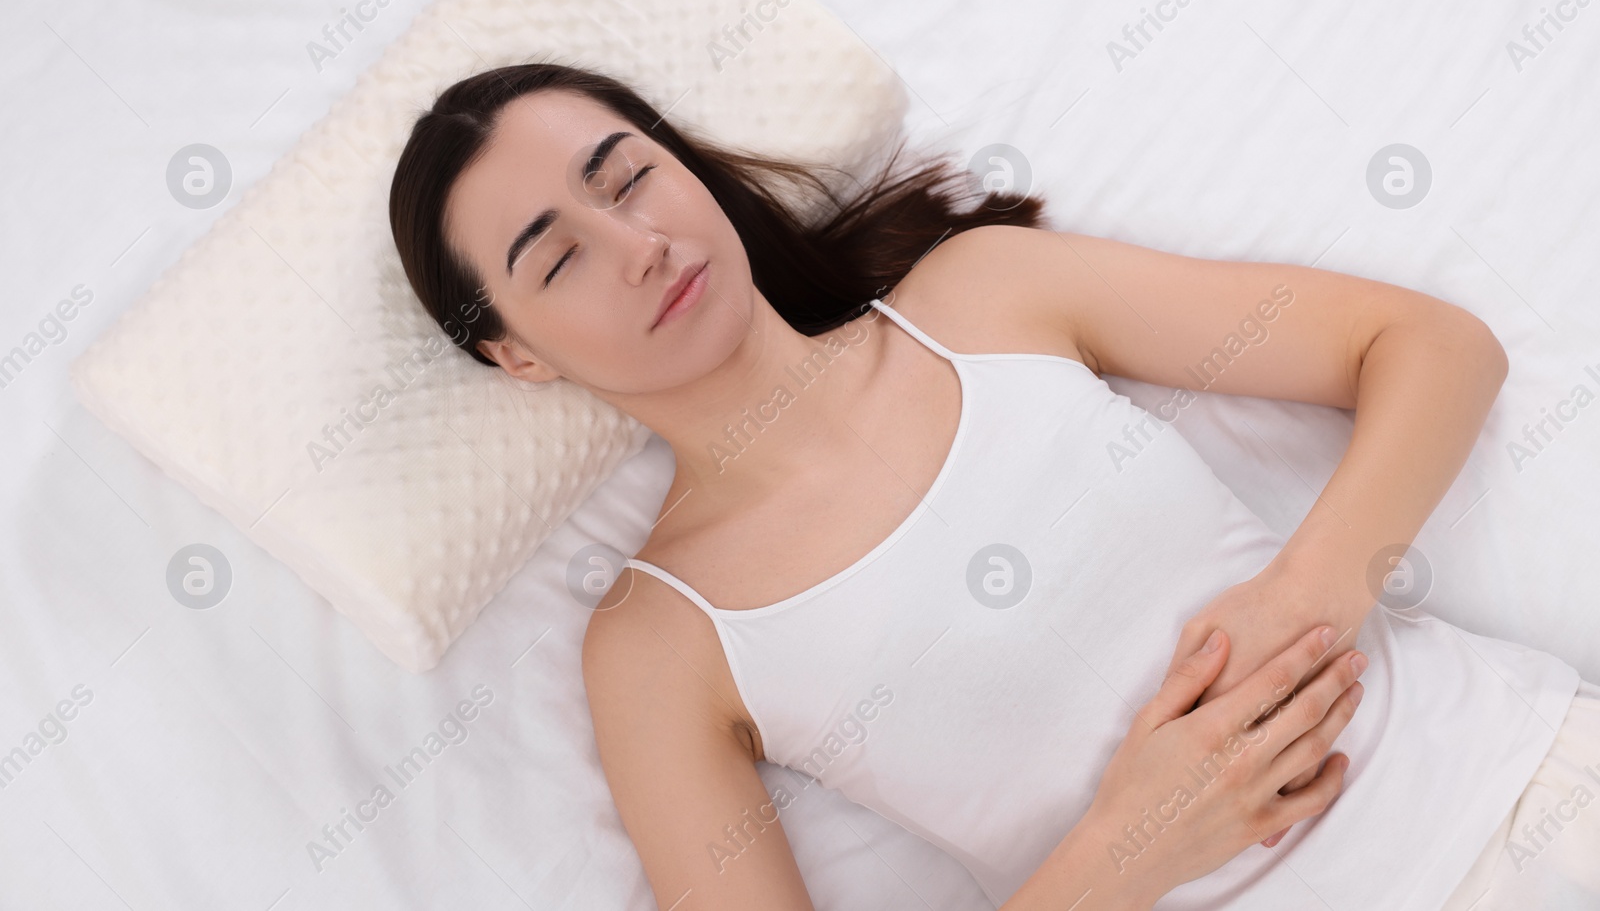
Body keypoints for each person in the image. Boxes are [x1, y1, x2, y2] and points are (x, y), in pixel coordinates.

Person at [389, 63, 1597, 909]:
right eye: (556, 256)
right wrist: (1127, 847)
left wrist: (1311, 593)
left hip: (1529, 782)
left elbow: (1436, 349)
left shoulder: (982, 296)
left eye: (626, 175)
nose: (635, 242)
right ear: (518, 352)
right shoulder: (660, 641)